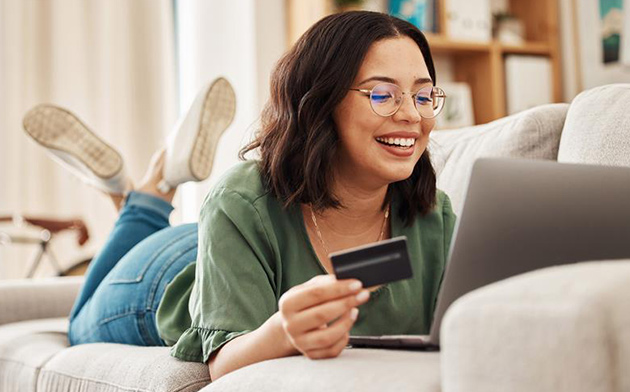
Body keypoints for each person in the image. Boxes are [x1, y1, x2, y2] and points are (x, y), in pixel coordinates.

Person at [22, 11, 455, 382]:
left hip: (235, 247)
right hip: (163, 276)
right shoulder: (240, 199)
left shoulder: (436, 216)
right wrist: (284, 332)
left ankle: (142, 187)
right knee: (78, 324)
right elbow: (222, 366)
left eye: (422, 95)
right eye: (382, 94)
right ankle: (146, 197)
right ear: (319, 103)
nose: (411, 115)